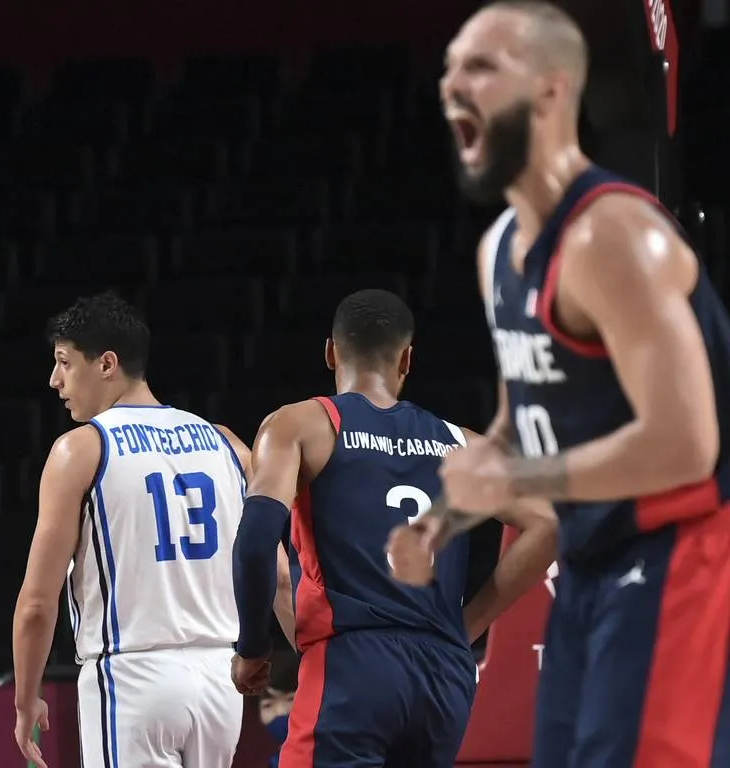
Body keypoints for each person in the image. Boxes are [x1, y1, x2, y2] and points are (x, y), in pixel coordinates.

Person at [420, 1, 730, 765]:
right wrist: (446, 515)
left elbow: (687, 445)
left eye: (482, 66)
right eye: (450, 66)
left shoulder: (617, 237)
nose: (453, 84)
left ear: (553, 91)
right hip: (591, 564)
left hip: (678, 557)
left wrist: (520, 477)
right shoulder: (500, 250)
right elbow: (521, 414)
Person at [231, 289, 557, 767]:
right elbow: (549, 524)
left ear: (330, 352)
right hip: (443, 677)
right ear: (407, 359)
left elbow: (257, 541)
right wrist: (467, 626)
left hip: (353, 660)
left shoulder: (301, 424)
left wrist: (253, 648)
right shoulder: (462, 445)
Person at [11, 291, 291, 768]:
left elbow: (38, 603)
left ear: (107, 364)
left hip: (132, 674)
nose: (54, 379)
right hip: (219, 680)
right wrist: (318, 663)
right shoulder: (227, 444)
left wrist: (24, 700)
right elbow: (281, 577)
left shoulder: (81, 449)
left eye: (64, 362)